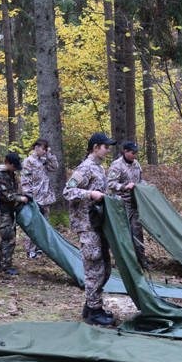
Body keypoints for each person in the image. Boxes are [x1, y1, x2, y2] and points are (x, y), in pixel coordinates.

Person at [64, 132, 117, 327]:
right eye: (105, 146)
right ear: (96, 147)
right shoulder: (85, 168)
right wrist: (90, 194)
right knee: (94, 268)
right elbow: (67, 191)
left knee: (105, 268)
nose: (108, 150)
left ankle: (91, 305)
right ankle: (95, 312)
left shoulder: (98, 167)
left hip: (98, 224)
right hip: (86, 226)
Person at [106, 141, 150, 266]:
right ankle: (124, 258)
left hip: (135, 203)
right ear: (125, 152)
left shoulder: (136, 164)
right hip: (121, 204)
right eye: (132, 153)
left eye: (136, 153)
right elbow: (110, 184)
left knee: (137, 230)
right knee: (123, 232)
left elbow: (140, 180)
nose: (134, 156)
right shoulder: (117, 165)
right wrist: (125, 187)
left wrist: (147, 186)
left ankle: (141, 258)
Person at [0, 153, 30, 275]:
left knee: (8, 238)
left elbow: (14, 190)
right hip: (2, 212)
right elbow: (3, 195)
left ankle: (2, 265)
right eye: (14, 166)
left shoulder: (12, 175)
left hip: (10, 211)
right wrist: (19, 198)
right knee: (9, 239)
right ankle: (5, 267)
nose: (16, 169)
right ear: (7, 163)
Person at [20, 138, 58, 259]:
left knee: (44, 223)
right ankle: (30, 249)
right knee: (34, 224)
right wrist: (28, 196)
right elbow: (25, 180)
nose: (44, 151)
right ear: (36, 148)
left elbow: (55, 167)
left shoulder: (44, 160)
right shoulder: (28, 161)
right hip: (35, 197)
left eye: (45, 149)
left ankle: (39, 246)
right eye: (43, 149)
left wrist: (49, 154)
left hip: (46, 196)